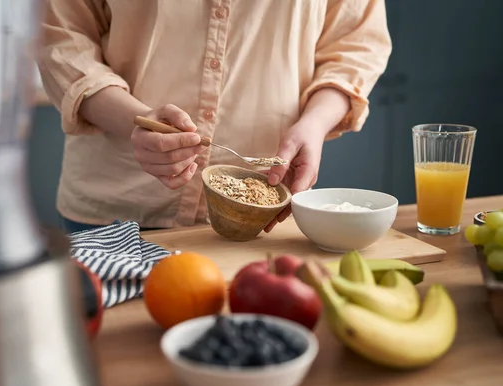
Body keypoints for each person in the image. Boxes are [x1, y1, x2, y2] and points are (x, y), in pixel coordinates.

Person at [36, 0, 392, 234]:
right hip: (118, 206)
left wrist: (314, 124)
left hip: (260, 212)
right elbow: (62, 38)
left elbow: (356, 45)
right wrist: (136, 120)